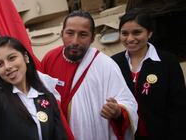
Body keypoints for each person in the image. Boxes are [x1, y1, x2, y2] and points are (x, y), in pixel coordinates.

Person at [41, 10, 138, 140]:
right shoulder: (50, 58)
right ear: (62, 34)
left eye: (83, 35)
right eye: (70, 33)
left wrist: (118, 111)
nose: (75, 41)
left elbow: (127, 103)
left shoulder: (106, 65)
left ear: (92, 38)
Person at [111, 11, 186, 140]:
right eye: (124, 33)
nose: (129, 38)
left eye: (137, 32)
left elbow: (178, 107)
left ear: (149, 33)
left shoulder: (167, 61)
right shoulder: (113, 63)